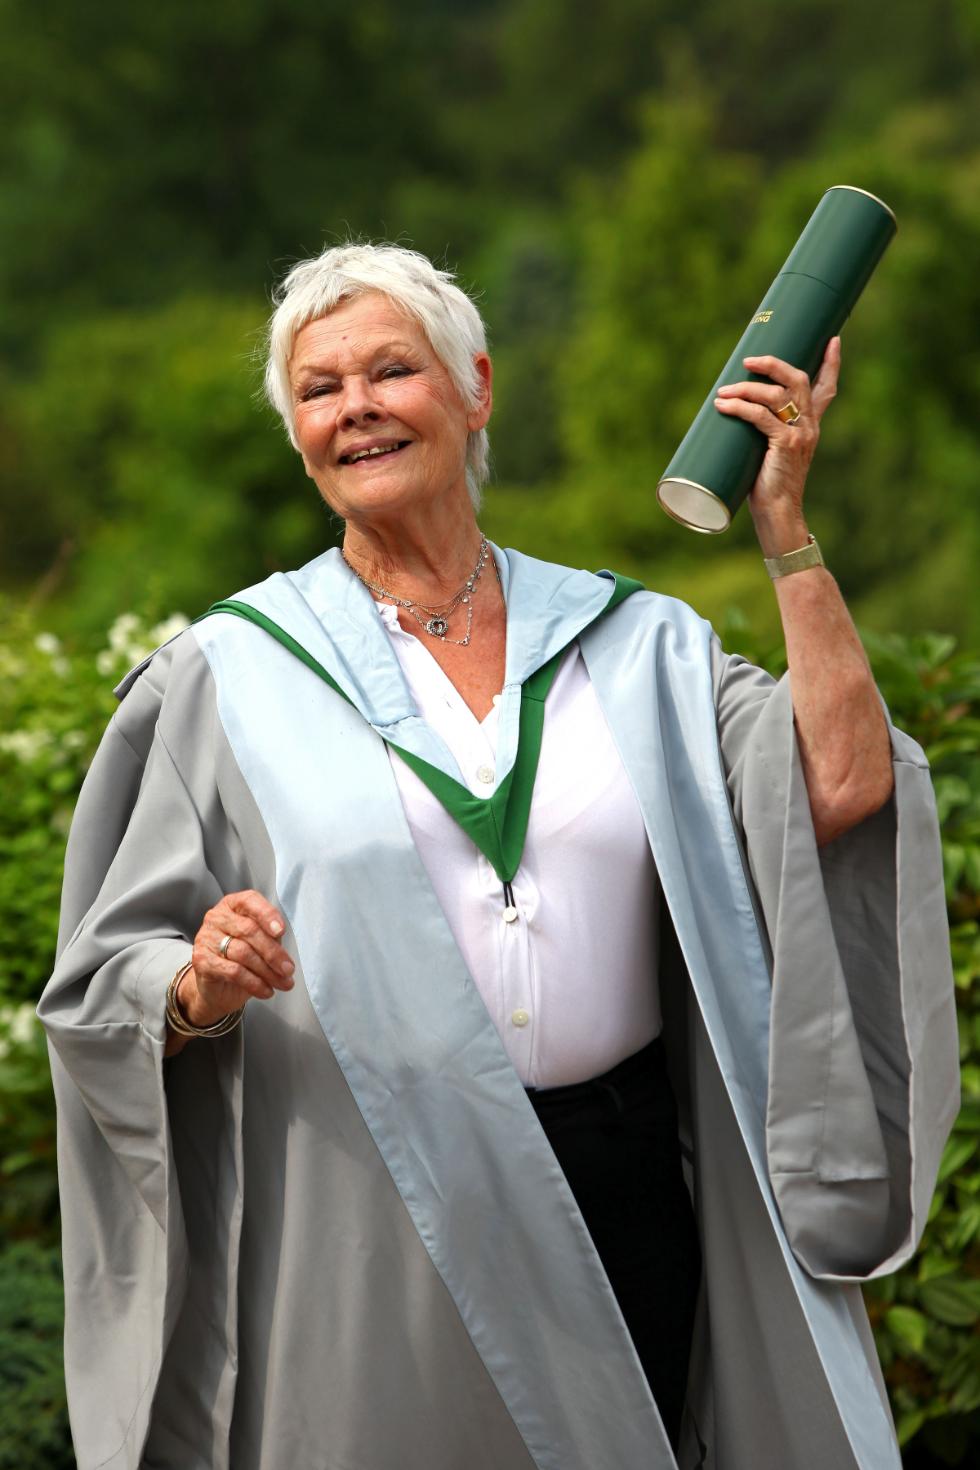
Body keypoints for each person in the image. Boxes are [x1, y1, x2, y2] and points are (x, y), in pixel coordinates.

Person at [39, 243, 958, 1470]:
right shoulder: (226, 677)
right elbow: (105, 982)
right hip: (374, 1207)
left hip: (623, 1179)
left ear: (474, 387)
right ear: (297, 435)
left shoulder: (633, 646)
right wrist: (199, 983)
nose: (354, 407)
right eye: (318, 390)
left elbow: (842, 783)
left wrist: (783, 531)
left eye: (389, 371)